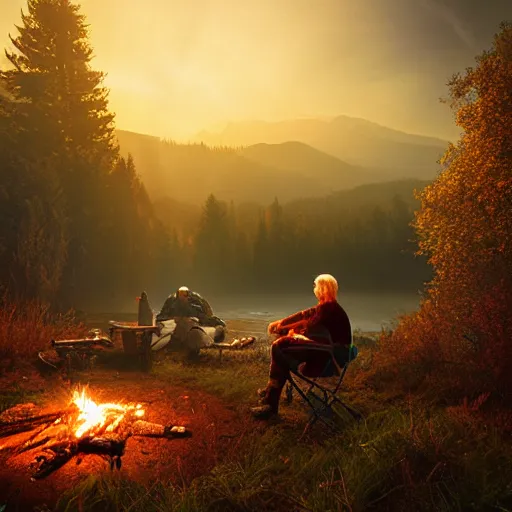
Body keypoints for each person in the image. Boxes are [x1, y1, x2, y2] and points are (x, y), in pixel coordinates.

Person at [251, 274, 352, 419]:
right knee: (283, 350)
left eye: (316, 287)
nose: (315, 290)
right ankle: (270, 395)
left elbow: (309, 327)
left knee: (279, 347)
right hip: (327, 351)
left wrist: (289, 332)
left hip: (330, 356)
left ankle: (271, 402)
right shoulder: (327, 307)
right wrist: (282, 324)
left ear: (322, 289)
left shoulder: (329, 309)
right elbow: (305, 316)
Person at [155, 286, 226, 358]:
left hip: (191, 330)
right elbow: (162, 317)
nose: (183, 298)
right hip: (179, 331)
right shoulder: (172, 303)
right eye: (181, 295)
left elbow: (206, 317)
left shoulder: (195, 304)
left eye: (184, 295)